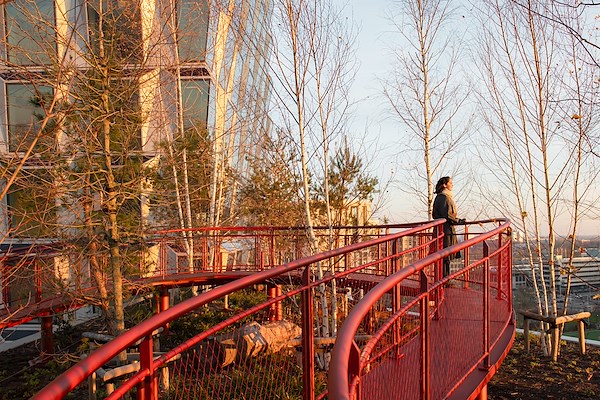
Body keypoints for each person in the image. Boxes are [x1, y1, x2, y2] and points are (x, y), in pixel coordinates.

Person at [432, 176, 465, 277]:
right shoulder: (444, 197)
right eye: (450, 183)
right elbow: (447, 215)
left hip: (443, 229)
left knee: (444, 256)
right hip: (445, 230)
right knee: (445, 255)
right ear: (444, 185)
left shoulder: (441, 197)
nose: (452, 185)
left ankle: (444, 279)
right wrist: (458, 221)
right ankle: (444, 280)